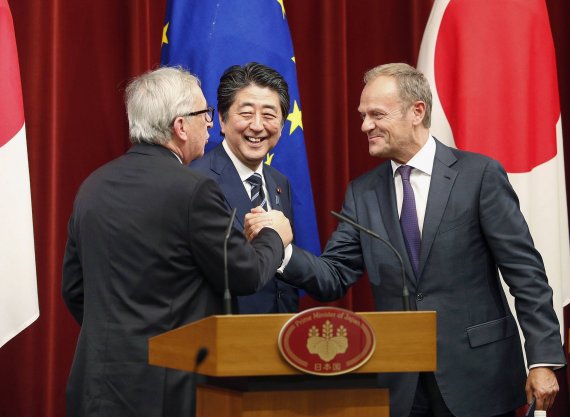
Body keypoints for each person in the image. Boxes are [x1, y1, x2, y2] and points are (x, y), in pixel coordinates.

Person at [245, 63, 565, 417]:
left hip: (478, 377)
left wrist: (543, 359)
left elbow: (525, 273)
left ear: (417, 111)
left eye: (377, 115)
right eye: (363, 116)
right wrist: (282, 252)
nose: (365, 126)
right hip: (403, 387)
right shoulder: (362, 193)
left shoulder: (479, 176)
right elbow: (334, 276)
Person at [61, 66, 292, 417]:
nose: (211, 124)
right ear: (180, 126)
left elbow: (74, 289)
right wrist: (274, 234)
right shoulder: (194, 190)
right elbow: (243, 276)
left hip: (97, 385)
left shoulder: (92, 186)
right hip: (167, 389)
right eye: (205, 115)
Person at [191, 62, 298, 313]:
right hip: (226, 335)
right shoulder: (197, 180)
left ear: (282, 126)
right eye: (246, 113)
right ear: (222, 119)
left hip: (280, 334)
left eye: (270, 115)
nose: (258, 126)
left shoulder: (279, 183)